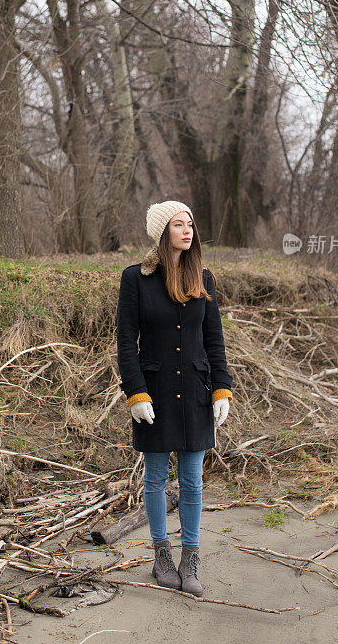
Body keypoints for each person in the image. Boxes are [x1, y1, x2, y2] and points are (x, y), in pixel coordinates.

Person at [116, 200, 233, 597]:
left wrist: (221, 387)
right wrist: (136, 392)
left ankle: (190, 558)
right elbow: (125, 345)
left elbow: (213, 340)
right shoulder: (136, 279)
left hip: (197, 393)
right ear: (162, 232)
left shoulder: (204, 278)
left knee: (192, 480)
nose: (188, 231)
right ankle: (161, 555)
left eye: (190, 224)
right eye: (179, 225)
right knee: (153, 477)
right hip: (154, 393)